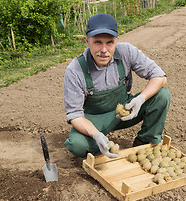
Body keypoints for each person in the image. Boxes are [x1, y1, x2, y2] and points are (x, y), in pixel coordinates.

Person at [63, 13, 170, 158]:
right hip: (94, 119)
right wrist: (95, 134)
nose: (104, 50)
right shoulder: (75, 70)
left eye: (109, 42)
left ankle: (145, 141)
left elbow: (160, 77)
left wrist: (141, 99)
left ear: (117, 41)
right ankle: (99, 146)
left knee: (162, 95)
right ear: (87, 41)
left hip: (124, 111)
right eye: (97, 42)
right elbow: (75, 115)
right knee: (77, 144)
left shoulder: (126, 51)